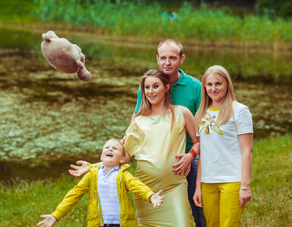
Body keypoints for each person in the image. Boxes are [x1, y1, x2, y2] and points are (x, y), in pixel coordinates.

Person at [70, 39, 206, 226]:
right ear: (157, 59)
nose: (167, 62)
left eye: (172, 58)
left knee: (198, 211)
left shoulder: (190, 96)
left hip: (185, 166)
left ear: (181, 59)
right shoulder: (141, 120)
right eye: (163, 58)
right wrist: (95, 166)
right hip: (147, 186)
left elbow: (203, 134)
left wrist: (191, 156)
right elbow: (124, 153)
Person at [37, 139, 164, 227]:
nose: (110, 149)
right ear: (101, 157)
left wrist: (151, 196)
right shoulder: (92, 175)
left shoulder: (123, 175)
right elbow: (73, 195)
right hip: (97, 223)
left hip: (122, 223)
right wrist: (56, 215)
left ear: (122, 159)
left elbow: (138, 186)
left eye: (115, 148)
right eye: (107, 147)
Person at [193, 65, 253, 227]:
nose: (213, 88)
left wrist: (245, 186)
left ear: (227, 84)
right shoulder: (201, 114)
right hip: (208, 181)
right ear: (204, 87)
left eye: (218, 84)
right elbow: (203, 153)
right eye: (209, 84)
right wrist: (198, 186)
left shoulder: (239, 111)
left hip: (232, 180)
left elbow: (247, 151)